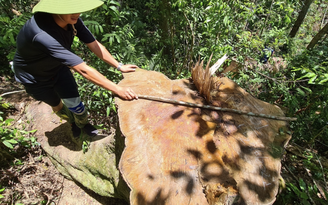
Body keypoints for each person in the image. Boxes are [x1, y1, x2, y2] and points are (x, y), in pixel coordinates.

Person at [13, 0, 138, 138]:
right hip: (34, 79)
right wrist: (117, 89)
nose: (77, 14)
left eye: (78, 8)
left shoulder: (72, 20)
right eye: (71, 10)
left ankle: (83, 124)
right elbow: (82, 69)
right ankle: (71, 122)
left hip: (58, 69)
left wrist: (119, 66)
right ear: (56, 9)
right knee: (57, 105)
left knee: (76, 105)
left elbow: (93, 43)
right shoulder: (42, 34)